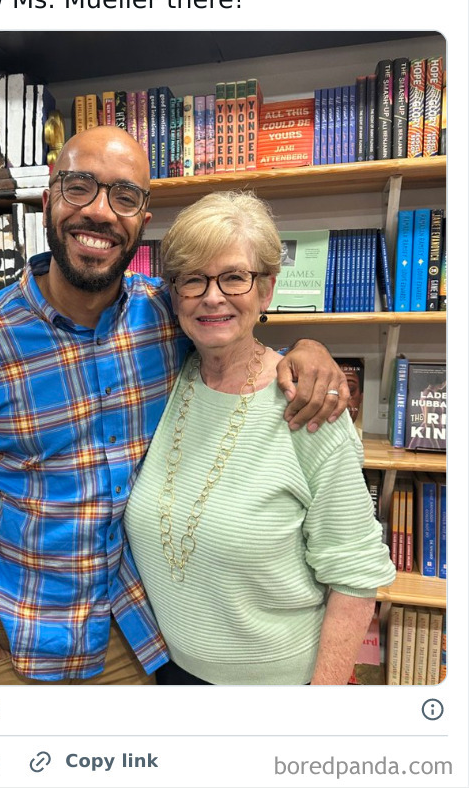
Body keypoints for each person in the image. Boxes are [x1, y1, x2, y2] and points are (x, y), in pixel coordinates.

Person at [0, 126, 351, 685]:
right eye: (80, 187)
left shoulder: (164, 315)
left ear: (143, 221)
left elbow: (233, 335)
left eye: (124, 196)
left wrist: (308, 351)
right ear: (48, 202)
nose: (99, 212)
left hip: (145, 639)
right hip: (21, 642)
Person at [124, 191, 395, 685]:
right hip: (164, 675)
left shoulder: (310, 407)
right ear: (173, 293)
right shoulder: (162, 379)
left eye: (234, 277)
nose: (212, 296)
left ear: (266, 290)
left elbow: (356, 577)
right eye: (193, 279)